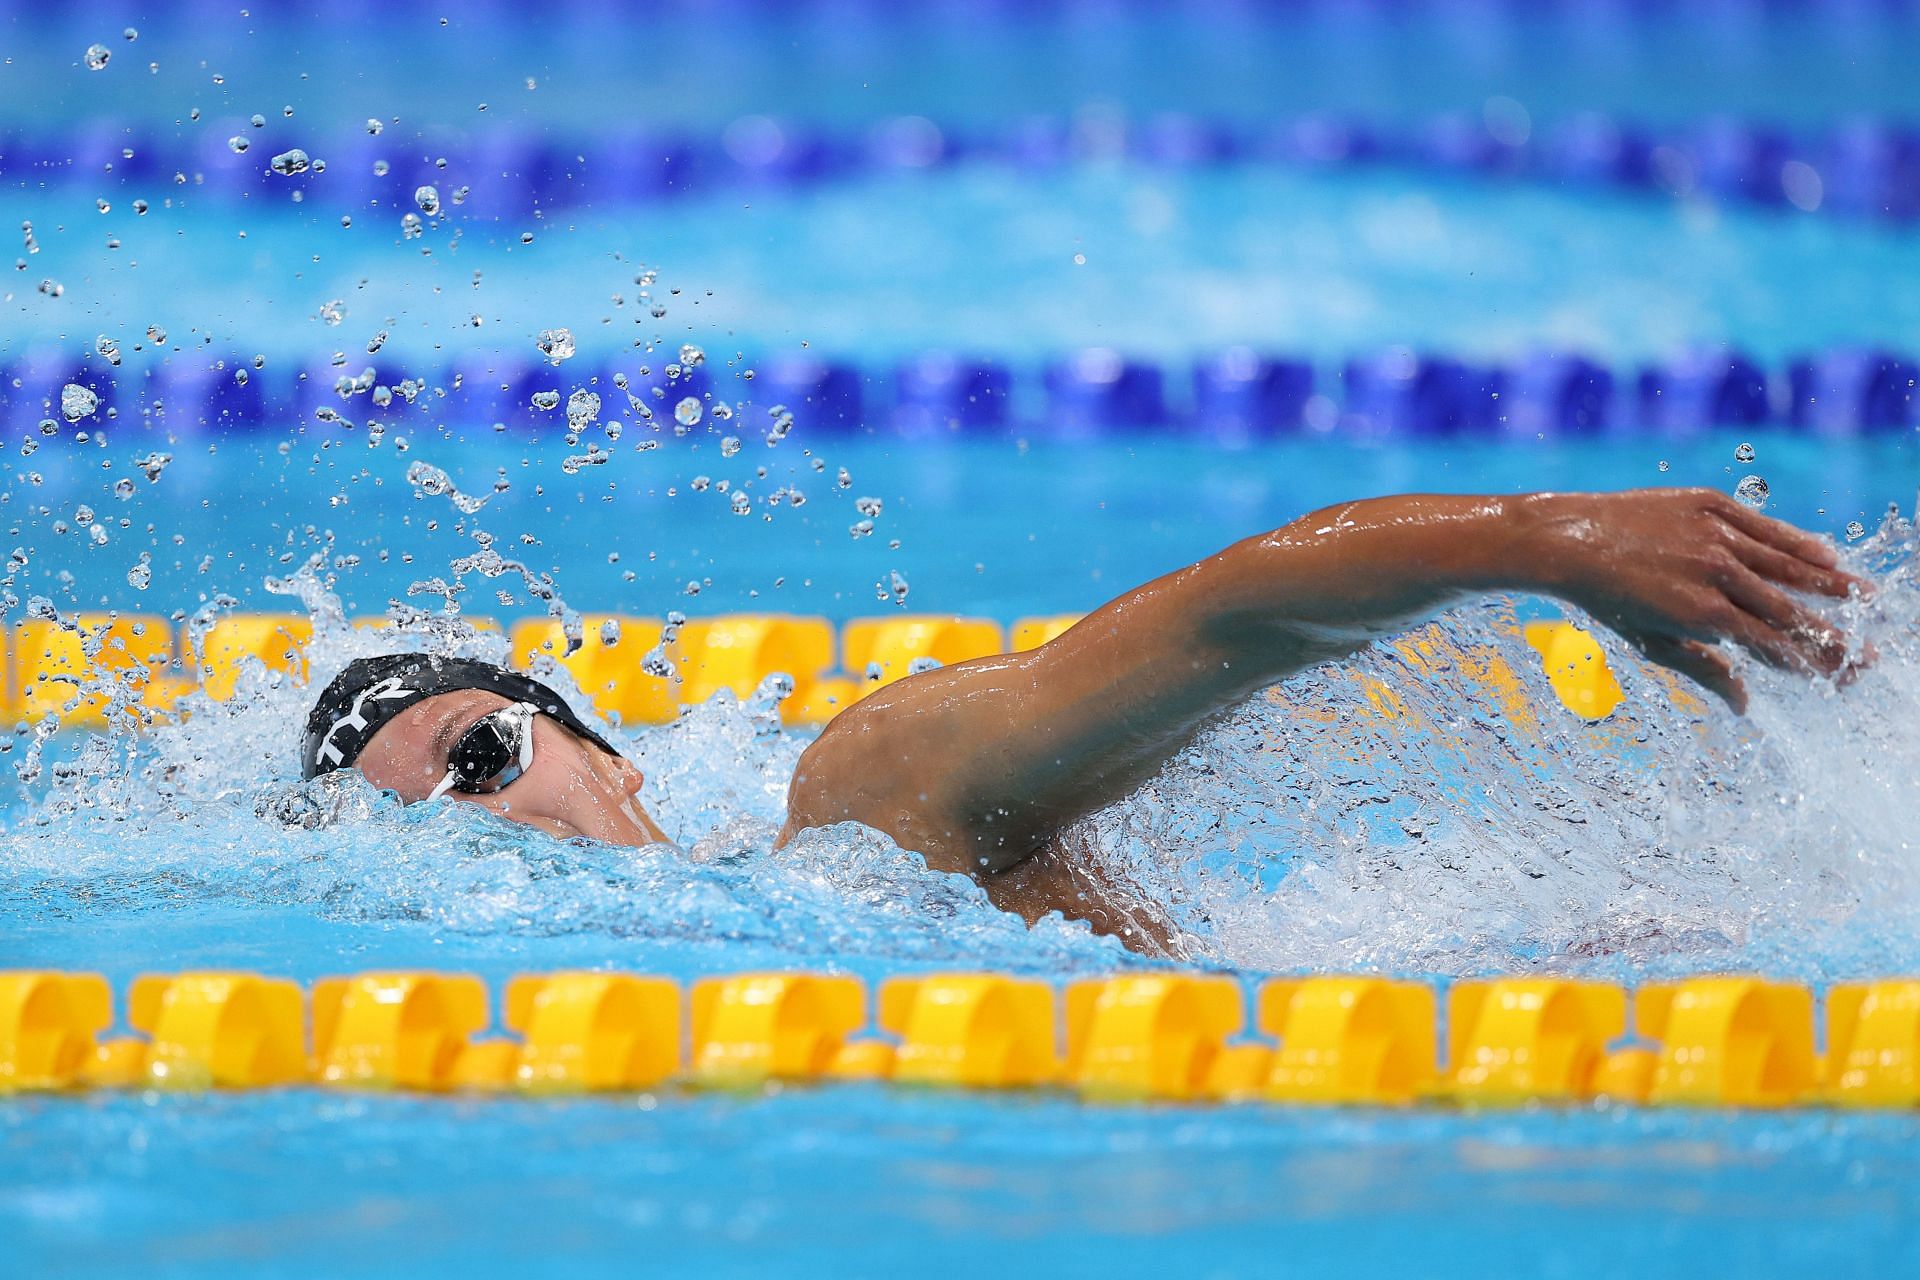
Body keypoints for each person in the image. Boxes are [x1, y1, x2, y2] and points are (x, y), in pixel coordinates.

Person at [302, 488, 1864, 953]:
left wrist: (1543, 541)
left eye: (483, 757)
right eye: (422, 823)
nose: (483, 820)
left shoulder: (857, 812)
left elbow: (1220, 618)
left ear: (608, 753)